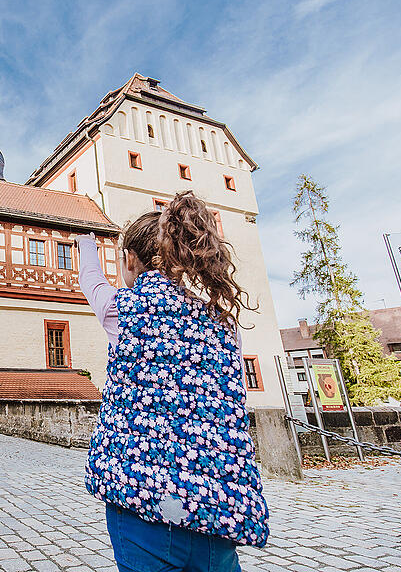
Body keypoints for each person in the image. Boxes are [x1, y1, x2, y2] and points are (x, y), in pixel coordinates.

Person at [75, 190, 268, 572]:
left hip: (141, 506)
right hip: (215, 512)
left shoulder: (121, 312)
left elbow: (89, 279)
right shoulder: (223, 324)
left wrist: (83, 240)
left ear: (130, 260)